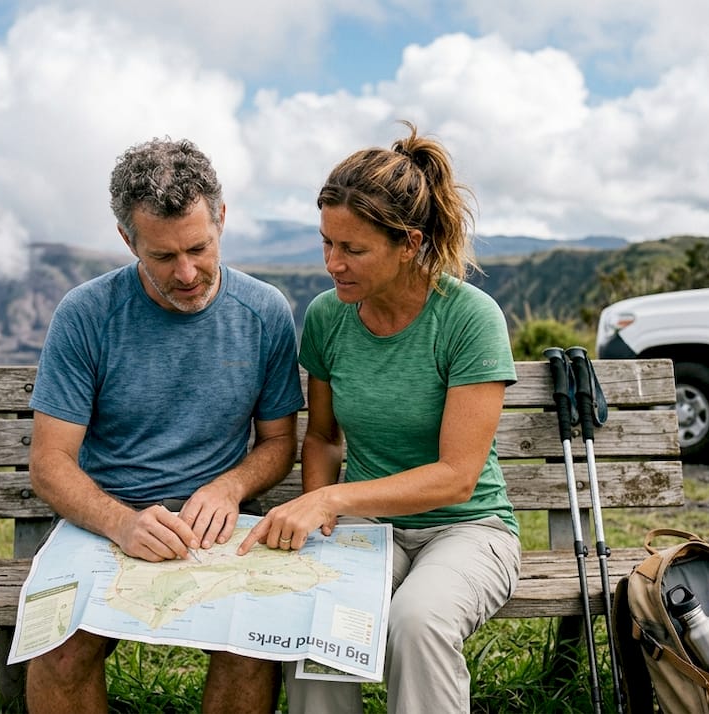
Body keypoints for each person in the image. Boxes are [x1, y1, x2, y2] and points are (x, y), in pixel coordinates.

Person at [237, 121, 521, 713]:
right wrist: (321, 520)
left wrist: (331, 500)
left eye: (353, 249)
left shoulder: (469, 319)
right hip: (369, 530)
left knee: (417, 623)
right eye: (326, 243)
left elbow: (457, 477)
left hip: (468, 529)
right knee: (316, 608)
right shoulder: (327, 317)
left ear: (409, 244)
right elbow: (322, 437)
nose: (332, 263)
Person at [25, 137, 304, 714]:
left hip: (218, 528)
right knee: (58, 653)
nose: (186, 273)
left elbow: (279, 443)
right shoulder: (86, 313)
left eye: (199, 248)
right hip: (104, 523)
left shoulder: (264, 312)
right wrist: (121, 523)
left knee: (250, 647)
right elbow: (49, 464)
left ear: (221, 218)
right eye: (162, 256)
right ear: (128, 240)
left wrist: (230, 487)